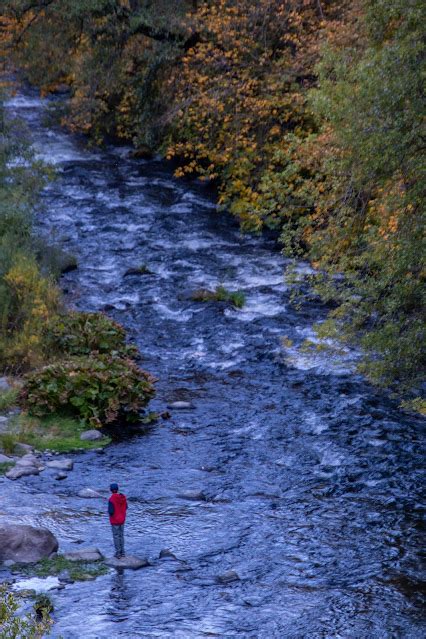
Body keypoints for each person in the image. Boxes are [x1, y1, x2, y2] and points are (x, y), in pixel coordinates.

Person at [108, 482, 128, 558]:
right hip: (122, 520)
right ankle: (123, 552)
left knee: (116, 536)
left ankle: (118, 553)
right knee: (121, 536)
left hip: (115, 521)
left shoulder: (111, 499)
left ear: (111, 490)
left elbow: (111, 512)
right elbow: (126, 507)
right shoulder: (123, 497)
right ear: (117, 489)